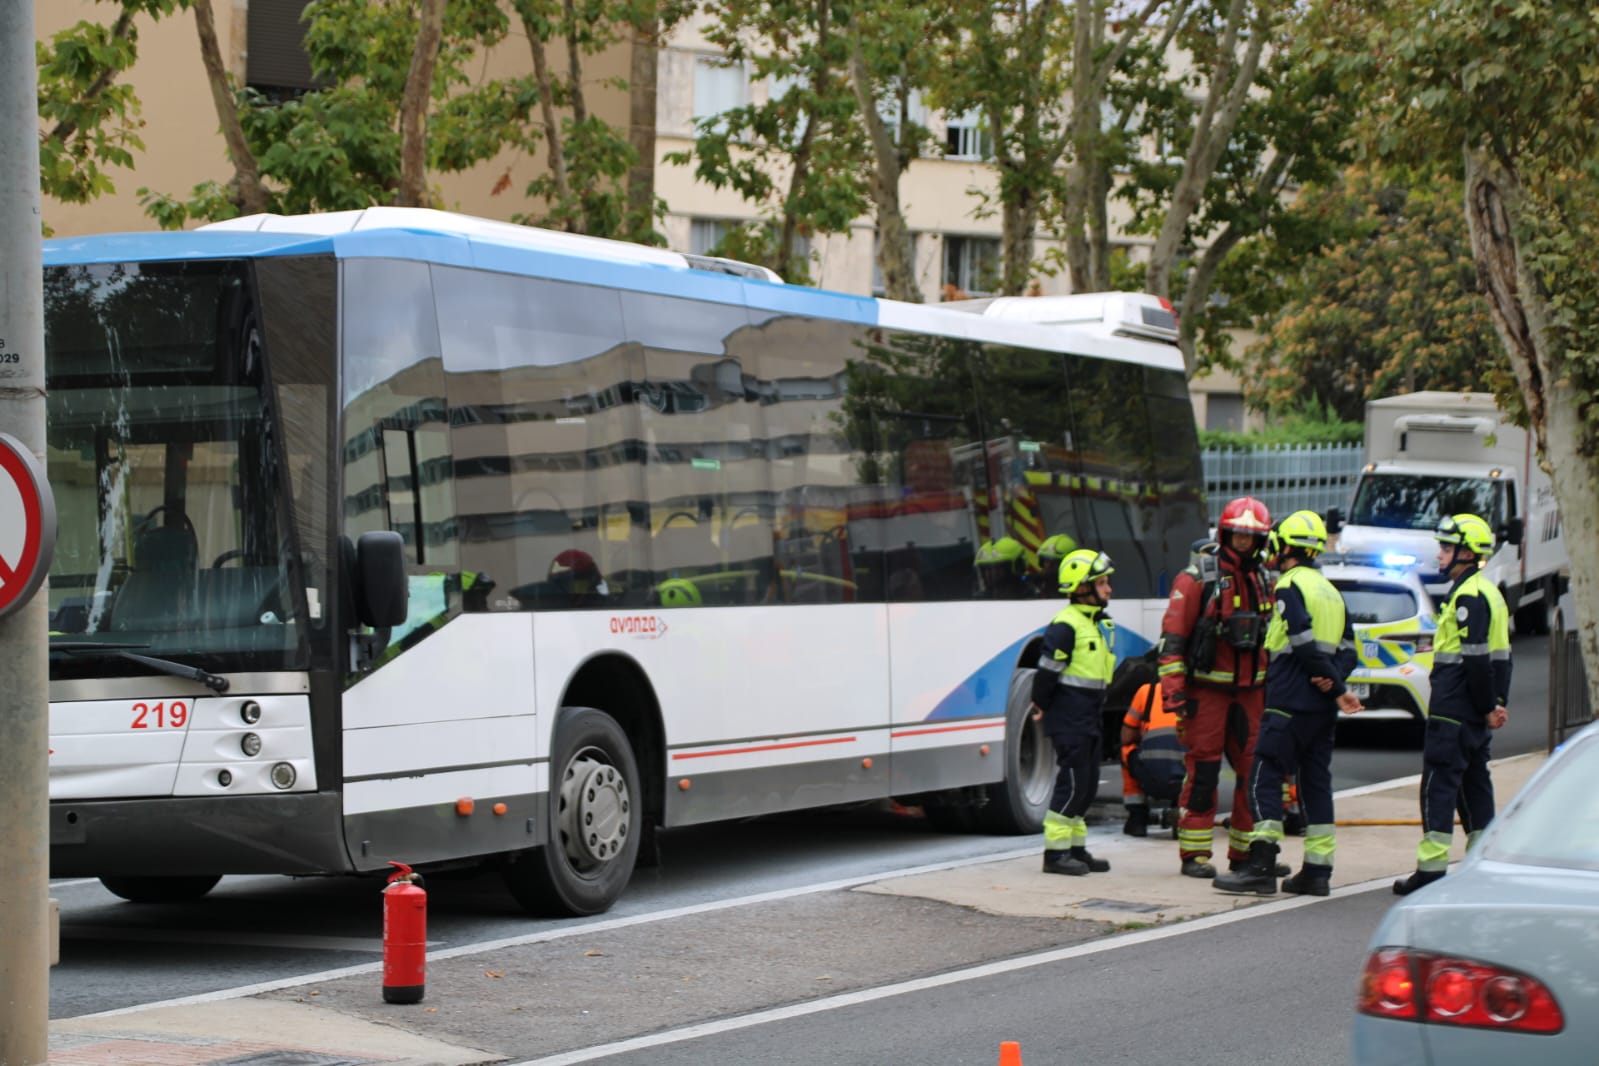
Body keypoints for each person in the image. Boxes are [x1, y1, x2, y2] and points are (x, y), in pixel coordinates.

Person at [1213, 511, 1362, 896]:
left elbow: (1300, 639)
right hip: (1320, 710)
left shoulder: (1289, 586)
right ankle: (1317, 871)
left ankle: (1260, 866)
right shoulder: (1331, 591)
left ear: (1284, 546)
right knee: (1315, 785)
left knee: (1264, 775)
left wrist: (1327, 681)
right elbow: (1350, 650)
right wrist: (1334, 683)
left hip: (1288, 701)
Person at [1393, 513, 1512, 896]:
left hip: (1454, 709)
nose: (1440, 556)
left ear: (1467, 553)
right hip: (1473, 712)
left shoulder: (1468, 596)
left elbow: (1476, 659)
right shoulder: (1489, 591)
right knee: (1475, 785)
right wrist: (1495, 704)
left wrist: (1484, 706)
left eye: (1446, 548)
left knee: (1438, 786)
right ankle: (1483, 867)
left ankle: (1430, 873)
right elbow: (1501, 659)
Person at [1158, 496, 1276, 878]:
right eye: (1238, 535)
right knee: (1204, 772)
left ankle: (1243, 854)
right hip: (1206, 692)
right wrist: (1174, 692)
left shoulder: (1263, 579)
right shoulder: (1199, 578)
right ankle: (1194, 854)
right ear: (1225, 533)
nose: (1243, 542)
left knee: (1253, 773)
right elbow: (1173, 639)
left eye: (1251, 536)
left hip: (1251, 693)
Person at [1030, 548, 1117, 876]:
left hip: (1091, 714)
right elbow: (1046, 674)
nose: (1108, 589)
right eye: (1102, 583)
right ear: (1082, 587)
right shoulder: (1065, 625)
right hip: (1070, 715)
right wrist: (1042, 704)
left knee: (1088, 783)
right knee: (1073, 782)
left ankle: (1076, 850)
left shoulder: (1095, 622)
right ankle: (1055, 855)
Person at [1119, 680, 1187, 837]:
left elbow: (1126, 737)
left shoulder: (1146, 691)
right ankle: (1183, 811)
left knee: (1125, 750)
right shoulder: (1200, 692)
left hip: (1152, 779)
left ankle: (1137, 819)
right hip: (1188, 782)